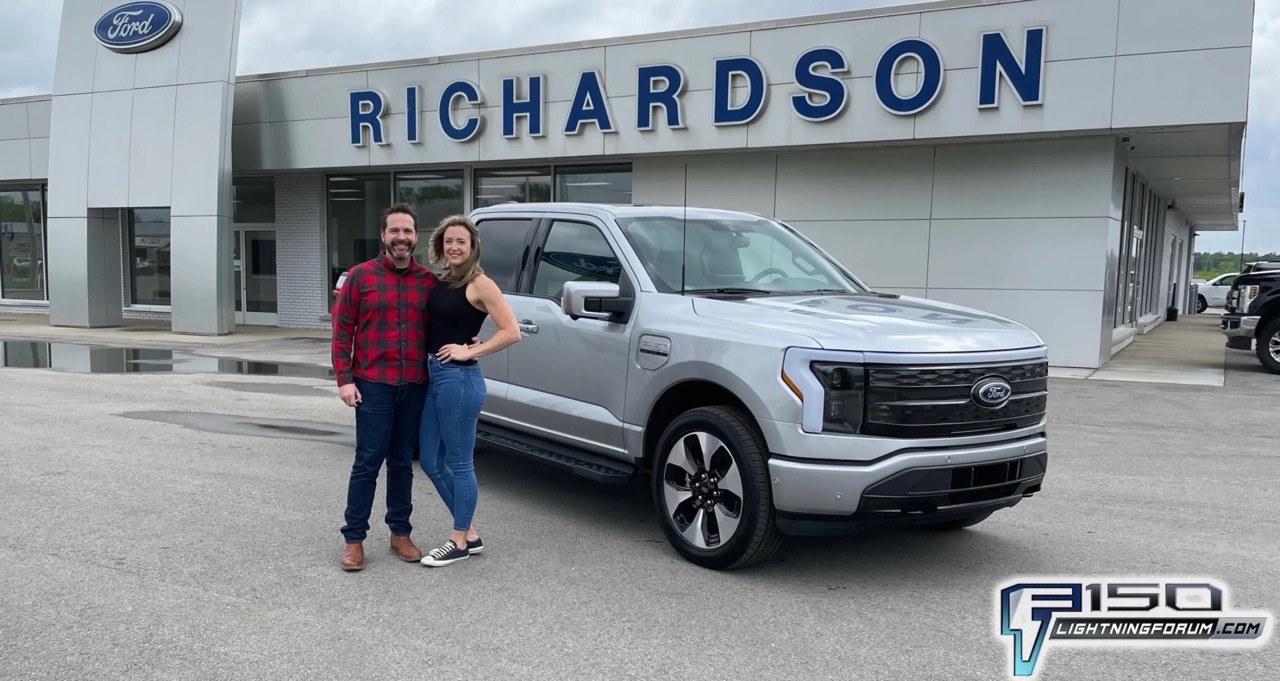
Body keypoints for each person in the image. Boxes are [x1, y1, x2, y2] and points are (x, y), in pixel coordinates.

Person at [331, 203, 443, 572]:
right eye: (394, 231)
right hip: (373, 385)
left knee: (402, 465)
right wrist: (345, 380)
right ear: (383, 236)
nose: (401, 237)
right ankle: (354, 540)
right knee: (367, 463)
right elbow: (342, 329)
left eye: (407, 231)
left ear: (416, 236)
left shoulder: (428, 282)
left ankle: (400, 533)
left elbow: (444, 326)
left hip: (413, 385)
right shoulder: (360, 277)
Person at [417, 215, 521, 567]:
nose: (454, 247)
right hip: (436, 376)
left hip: (460, 380)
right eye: (448, 241)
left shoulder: (480, 283)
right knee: (431, 461)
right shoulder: (444, 280)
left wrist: (470, 350)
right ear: (440, 246)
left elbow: (511, 331)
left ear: (473, 246)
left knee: (460, 464)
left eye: (461, 241)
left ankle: (458, 540)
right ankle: (470, 533)